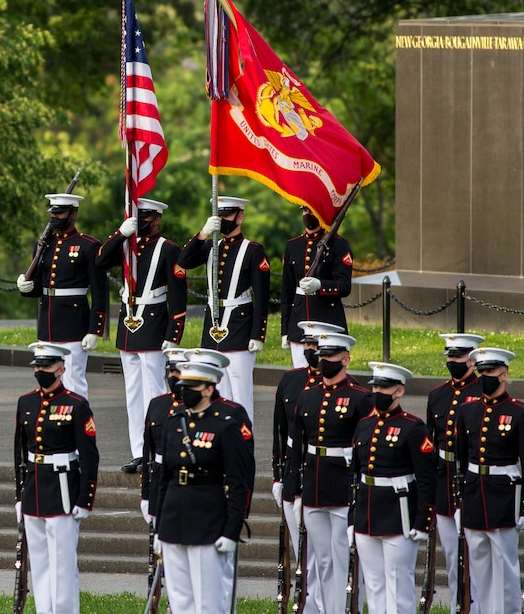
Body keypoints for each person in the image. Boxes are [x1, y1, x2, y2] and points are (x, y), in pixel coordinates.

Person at [153, 358, 255, 614]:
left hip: (208, 518)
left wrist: (231, 530)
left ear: (209, 388)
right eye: (183, 384)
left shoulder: (225, 426)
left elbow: (237, 483)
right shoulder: (174, 423)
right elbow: (164, 478)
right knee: (179, 600)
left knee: (209, 602)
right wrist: (159, 525)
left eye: (192, 386)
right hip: (174, 519)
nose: (184, 390)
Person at [96, 197, 187, 473]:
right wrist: (120, 233)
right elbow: (100, 260)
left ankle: (159, 449)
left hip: (154, 322)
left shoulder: (169, 249)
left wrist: (174, 334)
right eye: (138, 217)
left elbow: (178, 296)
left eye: (146, 217)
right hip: (129, 322)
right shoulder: (127, 245)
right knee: (133, 392)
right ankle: (139, 451)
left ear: (157, 218)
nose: (142, 222)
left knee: (156, 391)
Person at [288, 331, 373, 614]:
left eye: (331, 357)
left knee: (343, 557)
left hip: (343, 485)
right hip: (314, 483)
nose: (324, 361)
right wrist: (295, 488)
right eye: (322, 356)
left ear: (346, 359)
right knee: (322, 559)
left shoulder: (360, 397)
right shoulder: (307, 396)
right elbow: (298, 446)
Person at [14, 342, 100, 614]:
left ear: (61, 369)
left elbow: (89, 456)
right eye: (38, 366)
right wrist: (19, 495)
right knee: (39, 563)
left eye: (46, 366)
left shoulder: (76, 405)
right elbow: (19, 453)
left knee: (62, 565)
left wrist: (85, 499)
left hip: (63, 488)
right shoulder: (26, 402)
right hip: (34, 488)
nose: (41, 371)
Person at [350, 362, 436, 614]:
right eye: (375, 386)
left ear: (399, 391)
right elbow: (354, 474)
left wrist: (423, 520)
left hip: (399, 514)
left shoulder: (413, 427)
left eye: (385, 387)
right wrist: (351, 518)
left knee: (398, 586)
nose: (378, 391)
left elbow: (427, 478)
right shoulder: (364, 425)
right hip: (367, 511)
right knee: (374, 586)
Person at [453, 347, 524, 614]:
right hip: (476, 493)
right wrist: (460, 500)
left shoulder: (521, 412)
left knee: (505, 568)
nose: (485, 376)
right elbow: (462, 461)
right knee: (479, 567)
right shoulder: (468, 411)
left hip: (504, 495)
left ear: (504, 374)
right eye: (481, 372)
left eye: (490, 372)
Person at [177, 195, 270, 421]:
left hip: (240, 325)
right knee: (216, 393)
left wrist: (258, 334)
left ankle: (244, 445)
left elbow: (262, 297)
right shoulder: (211, 246)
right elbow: (184, 260)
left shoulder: (253, 250)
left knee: (240, 395)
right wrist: (202, 234)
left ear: (240, 217)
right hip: (213, 327)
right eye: (219, 215)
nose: (222, 220)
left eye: (227, 215)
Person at [16, 193, 107, 399]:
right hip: (47, 323)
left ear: (73, 213)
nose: (55, 217)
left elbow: (99, 291)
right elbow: (39, 287)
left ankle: (79, 425)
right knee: (46, 380)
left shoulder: (88, 245)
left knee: (73, 381)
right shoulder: (43, 245)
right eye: (53, 213)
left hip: (74, 325)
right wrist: (25, 287)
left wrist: (95, 330)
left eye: (61, 213)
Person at [271, 320, 344, 569]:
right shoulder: (290, 381)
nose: (310, 350)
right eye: (308, 344)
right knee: (302, 555)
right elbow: (279, 432)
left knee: (327, 556)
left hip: (326, 475)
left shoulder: (348, 388)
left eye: (316, 344)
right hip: (293, 472)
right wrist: (277, 476)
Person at [425, 332, 483, 613]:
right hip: (443, 476)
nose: (452, 361)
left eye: (458, 356)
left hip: (472, 478)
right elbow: (430, 441)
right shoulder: (437, 395)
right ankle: (456, 605)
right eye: (449, 356)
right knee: (451, 553)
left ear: (472, 359)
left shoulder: (483, 393)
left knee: (476, 553)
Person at [280, 204, 354, 369]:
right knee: (301, 378)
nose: (307, 214)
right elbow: (287, 292)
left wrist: (320, 285)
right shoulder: (293, 245)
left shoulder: (339, 245)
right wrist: (285, 330)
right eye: (305, 210)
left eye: (311, 210)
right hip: (298, 322)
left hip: (327, 322)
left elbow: (344, 286)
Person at [139, 347, 191, 527]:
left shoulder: (199, 407)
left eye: (179, 371)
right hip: (159, 485)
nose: (173, 376)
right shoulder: (157, 404)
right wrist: (146, 494)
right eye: (171, 371)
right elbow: (148, 455)